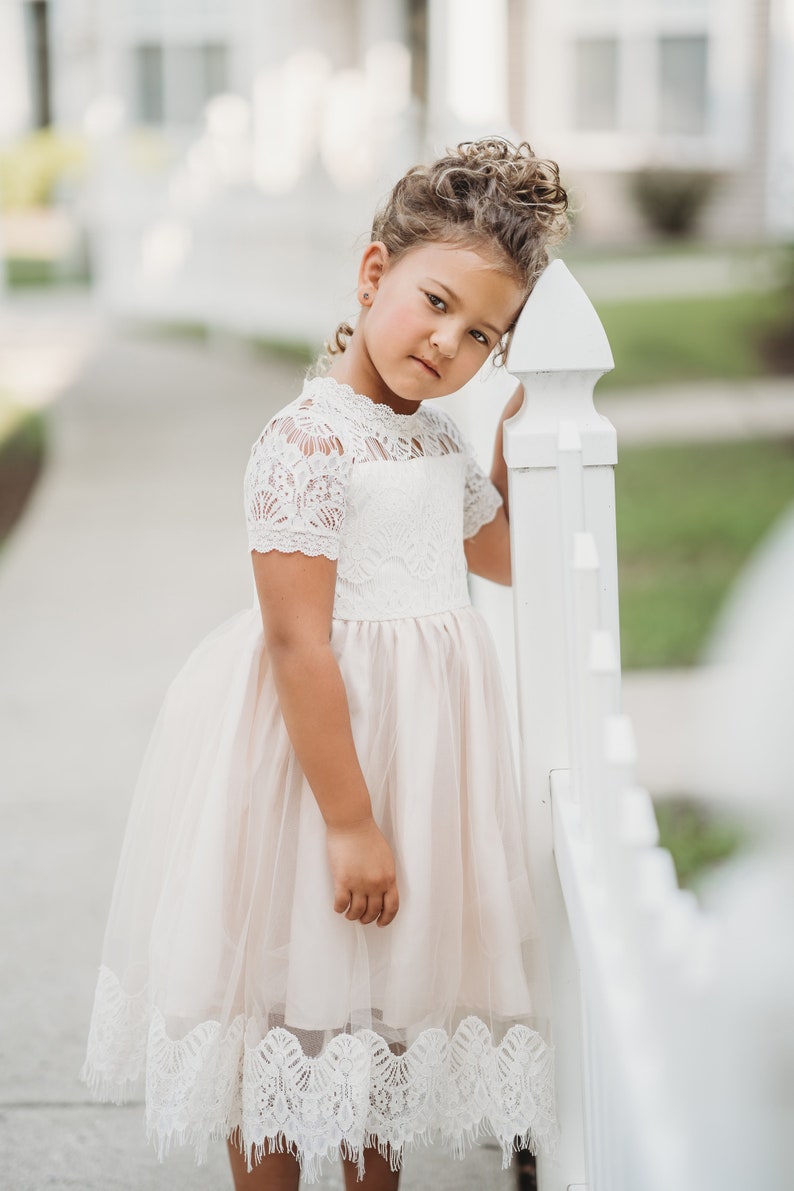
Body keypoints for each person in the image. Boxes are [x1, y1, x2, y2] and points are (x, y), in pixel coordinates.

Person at [81, 136, 569, 1190]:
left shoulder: (432, 445)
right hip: (319, 774)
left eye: (481, 333)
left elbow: (503, 554)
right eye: (434, 301)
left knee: (372, 1033)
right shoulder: (306, 443)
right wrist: (349, 822)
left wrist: (521, 441)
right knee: (283, 1023)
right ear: (371, 272)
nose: (447, 342)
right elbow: (298, 640)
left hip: (412, 769)